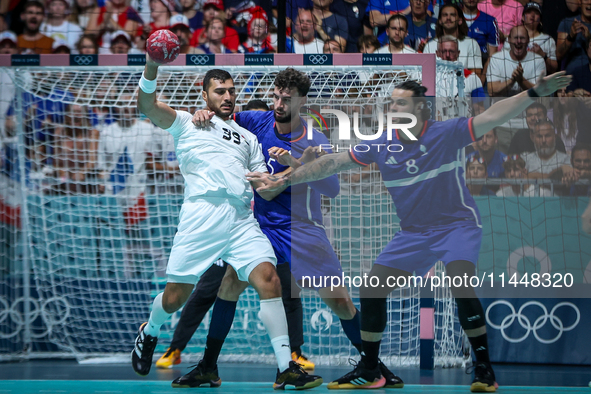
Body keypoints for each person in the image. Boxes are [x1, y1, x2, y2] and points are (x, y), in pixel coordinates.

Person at [247, 72, 572, 392]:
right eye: (390, 104)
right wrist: (287, 178)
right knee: (372, 290)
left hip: (456, 226)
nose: (391, 109)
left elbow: (494, 115)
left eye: (400, 104)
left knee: (460, 284)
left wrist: (534, 93)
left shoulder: (448, 133)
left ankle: (484, 368)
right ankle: (371, 370)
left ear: (419, 110)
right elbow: (333, 163)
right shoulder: (382, 143)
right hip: (414, 233)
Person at [191, 68, 403, 389]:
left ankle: (374, 367)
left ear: (301, 101)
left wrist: (298, 161)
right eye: (275, 96)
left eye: (286, 99)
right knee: (229, 286)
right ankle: (208, 366)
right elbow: (224, 116)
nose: (278, 104)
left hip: (303, 232)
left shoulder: (314, 140)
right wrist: (202, 113)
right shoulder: (257, 121)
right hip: (261, 228)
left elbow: (332, 189)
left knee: (341, 303)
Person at [133, 59, 322, 390]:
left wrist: (284, 174)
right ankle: (150, 331)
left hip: (240, 220)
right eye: (220, 91)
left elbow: (264, 187)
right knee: (176, 297)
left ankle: (285, 367)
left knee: (269, 279)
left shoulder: (248, 138)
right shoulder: (185, 122)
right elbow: (146, 104)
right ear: (204, 94)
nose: (228, 96)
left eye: (232, 91)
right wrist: (151, 64)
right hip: (201, 218)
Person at [423, 4, 483, 80]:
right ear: (440, 21)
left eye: (452, 15)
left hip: (463, 88)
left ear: (460, 20)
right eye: (445, 15)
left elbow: (476, 77)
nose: (448, 18)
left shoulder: (471, 44)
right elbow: (426, 75)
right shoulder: (430, 46)